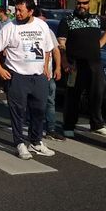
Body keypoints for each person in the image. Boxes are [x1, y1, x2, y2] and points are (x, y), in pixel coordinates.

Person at [0, 0, 57, 160]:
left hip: (38, 77)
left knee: (39, 111)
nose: (17, 13)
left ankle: (36, 141)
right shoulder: (10, 28)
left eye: (21, 10)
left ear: (31, 11)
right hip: (17, 76)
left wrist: (46, 67)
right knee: (18, 112)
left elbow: (47, 48)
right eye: (16, 10)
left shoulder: (42, 25)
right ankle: (19, 143)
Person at [57, 0, 106, 138]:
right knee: (73, 97)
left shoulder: (96, 19)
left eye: (85, 3)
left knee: (96, 95)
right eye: (79, 3)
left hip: (95, 64)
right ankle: (69, 125)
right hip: (75, 65)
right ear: (76, 3)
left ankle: (97, 125)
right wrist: (64, 63)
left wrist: (101, 43)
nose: (82, 6)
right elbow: (61, 44)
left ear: (89, 3)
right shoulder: (67, 20)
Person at [35, 8, 64, 141]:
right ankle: (35, 128)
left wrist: (58, 68)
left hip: (48, 74)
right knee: (34, 101)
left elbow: (56, 50)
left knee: (50, 101)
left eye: (44, 21)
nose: (42, 24)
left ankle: (51, 129)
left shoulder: (48, 31)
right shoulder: (28, 30)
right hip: (32, 72)